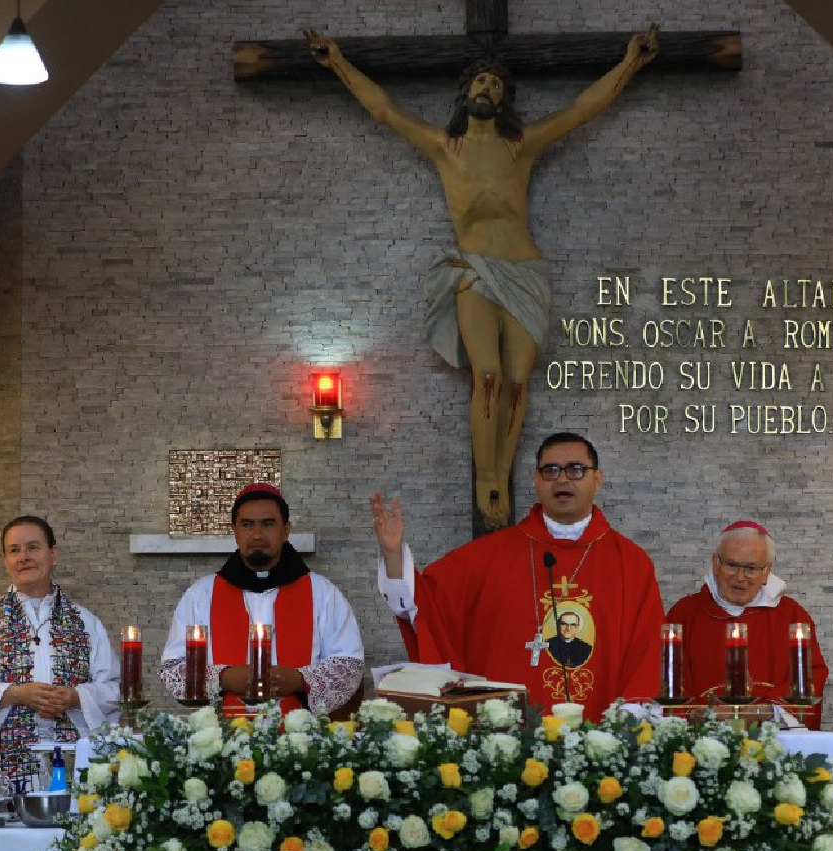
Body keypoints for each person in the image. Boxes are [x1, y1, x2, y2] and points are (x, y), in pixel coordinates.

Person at [306, 26, 659, 530]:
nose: (488, 89)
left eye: (496, 85)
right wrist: (338, 62)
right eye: (481, 82)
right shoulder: (445, 147)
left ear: (504, 99)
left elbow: (582, 109)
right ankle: (486, 478)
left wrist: (631, 62)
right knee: (487, 375)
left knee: (515, 382)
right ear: (465, 92)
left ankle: (502, 475)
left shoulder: (522, 146)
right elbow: (385, 110)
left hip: (524, 272)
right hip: (473, 270)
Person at [373, 432, 665, 716]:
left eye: (575, 470)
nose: (562, 479)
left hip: (600, 732)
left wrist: (628, 721)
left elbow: (648, 650)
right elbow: (425, 603)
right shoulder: (488, 555)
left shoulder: (631, 563)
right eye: (550, 471)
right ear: (536, 481)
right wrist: (393, 553)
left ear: (597, 479)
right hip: (508, 735)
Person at [0, 516, 119, 798]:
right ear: (5, 560)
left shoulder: (85, 622)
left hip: (69, 764)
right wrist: (14, 694)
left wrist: (75, 697)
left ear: (53, 554)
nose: (24, 557)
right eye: (14, 550)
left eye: (32, 547)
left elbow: (114, 690)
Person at [160, 483, 364, 717]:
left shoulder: (322, 593)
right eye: (247, 524)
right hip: (222, 734)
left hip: (301, 735)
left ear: (286, 530)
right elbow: (173, 669)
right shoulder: (201, 595)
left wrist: (300, 680)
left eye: (268, 524)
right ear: (235, 530)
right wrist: (224, 678)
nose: (257, 534)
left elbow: (349, 665)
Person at [665, 521, 830, 728]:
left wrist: (766, 711)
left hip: (775, 738)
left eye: (751, 568)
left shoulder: (791, 616)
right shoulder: (685, 613)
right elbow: (665, 678)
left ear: (766, 571)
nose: (740, 577)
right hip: (701, 738)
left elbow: (812, 676)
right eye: (731, 565)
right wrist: (694, 713)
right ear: (715, 563)